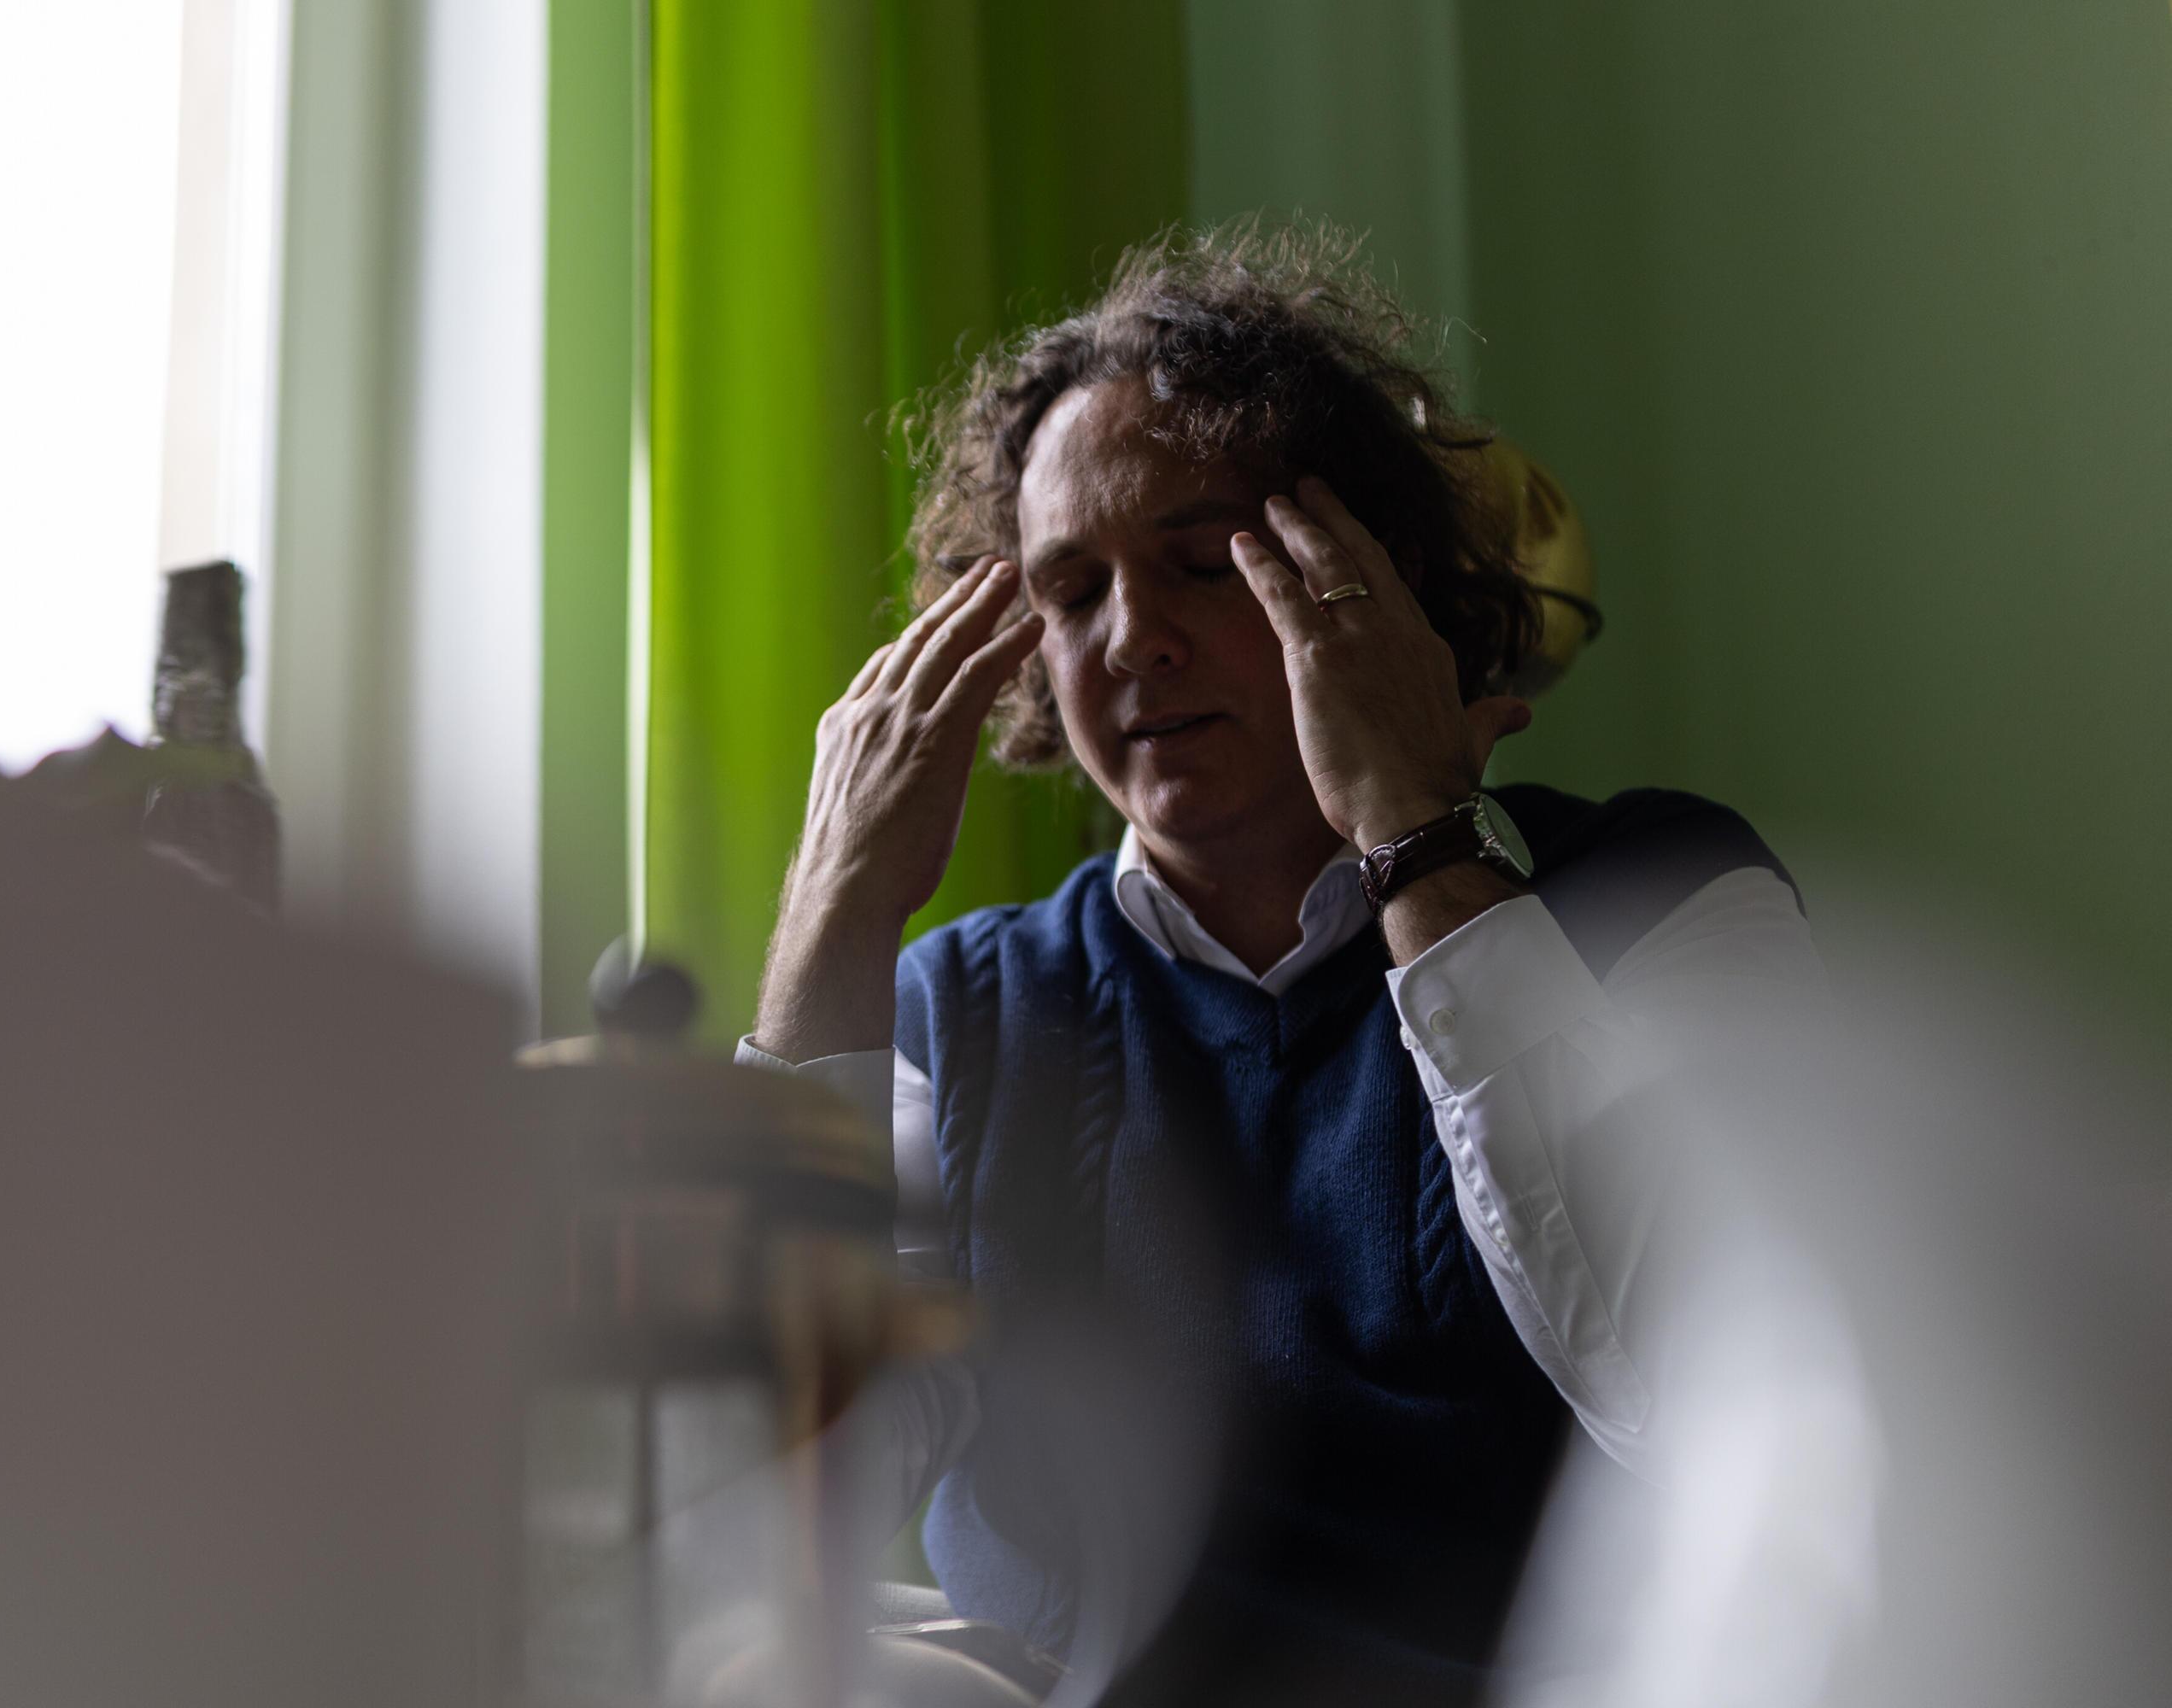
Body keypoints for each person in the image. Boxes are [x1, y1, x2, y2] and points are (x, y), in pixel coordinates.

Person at [738, 222, 1824, 1706]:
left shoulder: (1665, 892)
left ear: (1367, 576)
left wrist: (1418, 835)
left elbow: (1708, 1393)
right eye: (1071, 593)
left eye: (1202, 565)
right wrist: (836, 918)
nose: (1133, 641)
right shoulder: (955, 1011)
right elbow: (782, 1494)